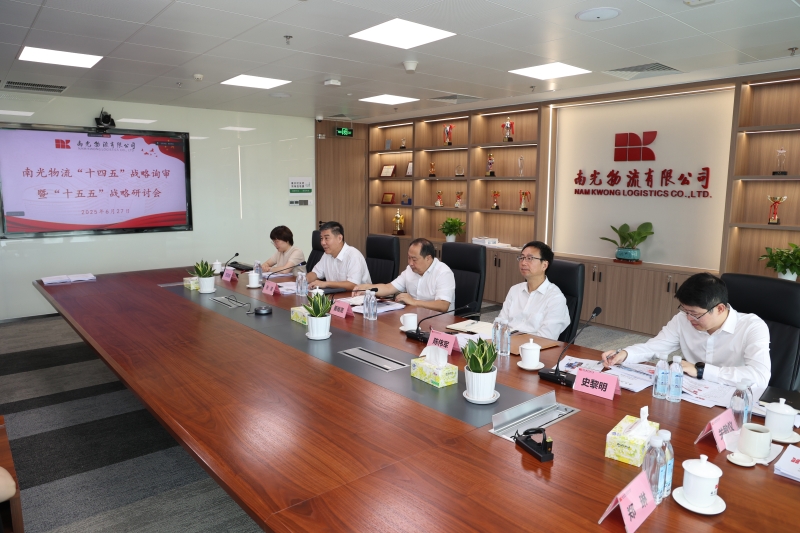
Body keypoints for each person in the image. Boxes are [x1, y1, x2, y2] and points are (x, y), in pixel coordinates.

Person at [600, 273, 771, 387]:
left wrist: (701, 371)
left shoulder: (752, 327)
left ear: (720, 308)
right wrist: (625, 354)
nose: (689, 318)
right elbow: (655, 347)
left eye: (695, 314)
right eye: (685, 311)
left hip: (734, 397)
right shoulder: (682, 319)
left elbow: (760, 376)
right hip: (691, 392)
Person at [355, 238, 455, 312]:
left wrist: (414, 302)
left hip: (439, 322)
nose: (410, 263)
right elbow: (388, 288)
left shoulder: (443, 273)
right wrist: (367, 288)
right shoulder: (410, 270)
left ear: (428, 258)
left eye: (414, 259)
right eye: (409, 258)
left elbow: (443, 305)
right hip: (414, 317)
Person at [496, 241, 570, 339]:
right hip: (506, 344)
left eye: (530, 258)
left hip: (532, 347)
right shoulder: (514, 290)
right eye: (522, 257)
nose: (523, 263)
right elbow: (500, 323)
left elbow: (546, 338)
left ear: (544, 265)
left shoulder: (555, 298)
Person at [306, 221, 371, 290]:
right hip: (337, 294)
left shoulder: (353, 255)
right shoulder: (326, 255)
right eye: (321, 238)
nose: (322, 243)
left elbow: (353, 285)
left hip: (359, 295)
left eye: (326, 238)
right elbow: (315, 273)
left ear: (339, 238)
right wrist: (303, 280)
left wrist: (326, 284)